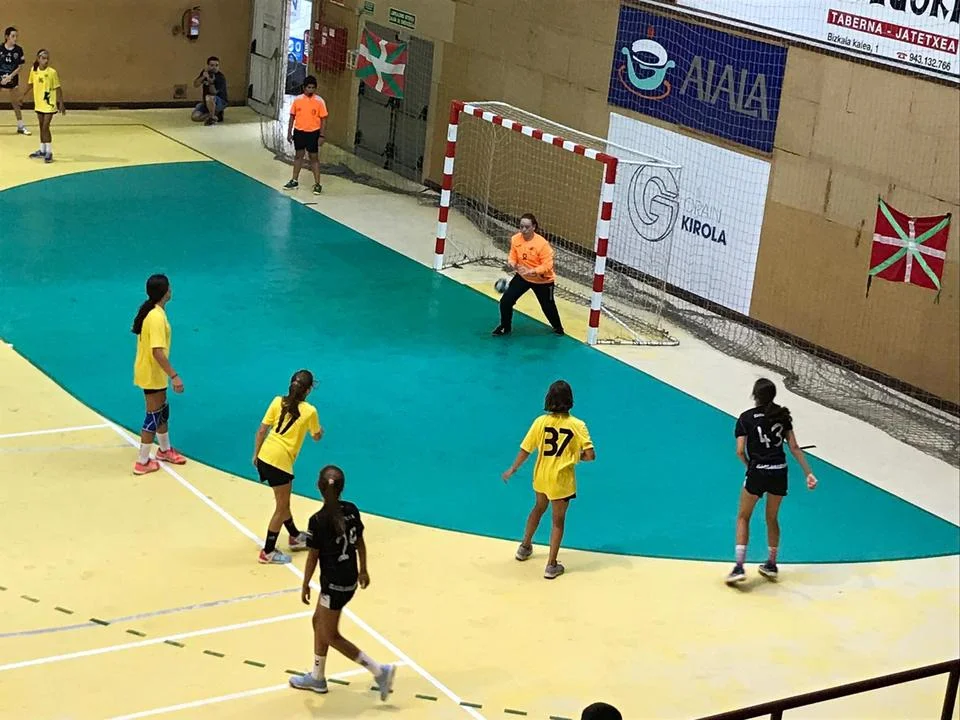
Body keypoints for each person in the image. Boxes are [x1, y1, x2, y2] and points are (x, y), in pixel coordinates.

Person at [289, 465, 397, 700]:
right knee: (317, 621)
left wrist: (305, 583)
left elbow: (313, 556)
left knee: (330, 635)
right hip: (349, 578)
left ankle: (379, 671)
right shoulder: (351, 510)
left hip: (334, 585)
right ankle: (317, 677)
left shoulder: (318, 520)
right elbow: (360, 542)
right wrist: (364, 569)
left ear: (319, 487)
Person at [726, 378, 817, 585]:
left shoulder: (745, 418)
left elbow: (739, 451)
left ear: (755, 395)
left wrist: (749, 465)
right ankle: (772, 564)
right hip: (779, 472)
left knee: (743, 517)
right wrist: (808, 473)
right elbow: (794, 447)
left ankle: (739, 567)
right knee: (772, 518)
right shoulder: (782, 416)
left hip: (758, 471)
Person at [502, 380, 594, 579]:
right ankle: (551, 565)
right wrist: (574, 456)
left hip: (541, 477)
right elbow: (590, 455)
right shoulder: (578, 425)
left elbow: (526, 449)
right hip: (561, 481)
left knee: (538, 508)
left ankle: (525, 547)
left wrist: (513, 469)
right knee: (558, 521)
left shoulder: (540, 422)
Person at [252, 370, 323, 564]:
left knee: (284, 502)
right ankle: (268, 552)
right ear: (308, 390)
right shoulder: (310, 411)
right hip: (280, 463)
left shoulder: (277, 401)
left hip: (265, 456)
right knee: (281, 508)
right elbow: (316, 436)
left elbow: (262, 430)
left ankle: (294, 536)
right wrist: (319, 431)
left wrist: (256, 454)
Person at [131, 274, 186, 475]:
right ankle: (142, 461)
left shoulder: (154, 312)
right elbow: (157, 352)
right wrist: (174, 376)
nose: (171, 290)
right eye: (168, 287)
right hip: (152, 373)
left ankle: (164, 450)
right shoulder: (155, 317)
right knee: (153, 416)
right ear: (164, 292)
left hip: (153, 372)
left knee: (162, 411)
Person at [492, 213, 565, 337]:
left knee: (547, 306)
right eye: (521, 227)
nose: (523, 230)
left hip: (543, 280)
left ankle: (558, 328)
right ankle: (505, 326)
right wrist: (512, 263)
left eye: (527, 227)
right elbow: (513, 255)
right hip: (523, 277)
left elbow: (548, 265)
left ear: (534, 227)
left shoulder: (542, 244)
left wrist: (531, 271)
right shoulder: (515, 239)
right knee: (505, 301)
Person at [283, 75, 327, 195]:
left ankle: (317, 184)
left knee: (314, 158)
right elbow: (292, 117)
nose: (310, 90)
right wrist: (289, 132)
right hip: (299, 132)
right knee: (298, 156)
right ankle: (294, 180)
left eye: (313, 88)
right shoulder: (297, 100)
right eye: (308, 87)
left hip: (313, 133)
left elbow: (323, 119)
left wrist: (322, 135)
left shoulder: (320, 101)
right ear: (304, 88)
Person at [22, 49, 64, 163]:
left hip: (49, 104)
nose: (46, 60)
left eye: (47, 58)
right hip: (39, 103)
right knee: (41, 126)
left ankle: (49, 152)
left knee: (46, 127)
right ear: (38, 59)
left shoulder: (52, 72)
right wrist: (23, 95)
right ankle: (42, 150)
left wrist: (61, 103)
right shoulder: (34, 70)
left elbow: (58, 88)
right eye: (43, 58)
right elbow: (30, 84)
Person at [0, 27, 29, 134]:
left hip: (12, 78)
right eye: (13, 36)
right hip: (0, 77)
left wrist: (10, 77)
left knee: (15, 102)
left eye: (16, 36)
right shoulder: (0, 49)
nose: (15, 38)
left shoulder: (18, 50)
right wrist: (2, 78)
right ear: (6, 37)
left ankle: (20, 126)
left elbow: (20, 67)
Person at [191, 56, 227, 126]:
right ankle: (215, 115)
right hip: (206, 102)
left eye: (216, 65)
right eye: (212, 65)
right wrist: (203, 77)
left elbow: (213, 93)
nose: (214, 67)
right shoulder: (205, 73)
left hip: (219, 102)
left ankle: (211, 118)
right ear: (208, 66)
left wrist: (211, 83)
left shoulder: (220, 77)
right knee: (195, 117)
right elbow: (195, 84)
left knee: (209, 97)